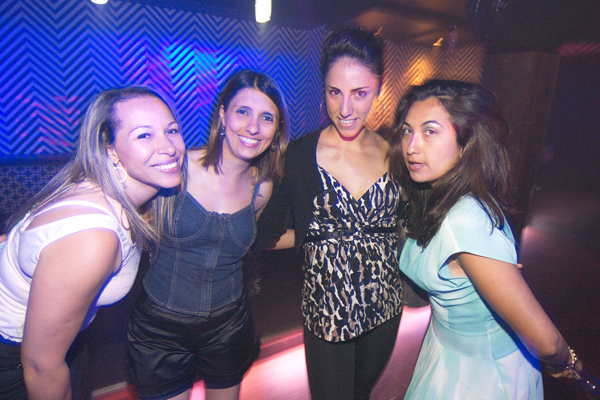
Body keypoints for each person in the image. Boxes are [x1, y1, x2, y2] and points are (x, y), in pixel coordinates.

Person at [389, 79, 582, 399]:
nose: (411, 145)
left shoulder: (465, 219)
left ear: (466, 143)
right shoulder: (436, 195)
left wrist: (570, 365)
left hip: (479, 375)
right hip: (445, 348)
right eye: (408, 130)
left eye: (430, 131)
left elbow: (548, 342)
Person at [0, 86, 186, 400]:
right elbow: (41, 365)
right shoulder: (93, 237)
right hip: (18, 362)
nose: (168, 147)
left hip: (59, 345)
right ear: (110, 149)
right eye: (144, 135)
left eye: (172, 130)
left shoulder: (105, 191)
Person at [256, 27, 404, 399]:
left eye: (360, 93)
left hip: (385, 307)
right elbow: (266, 234)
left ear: (379, 87)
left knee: (361, 393)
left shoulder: (396, 153)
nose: (345, 109)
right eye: (334, 92)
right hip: (327, 312)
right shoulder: (299, 155)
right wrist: (317, 234)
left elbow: (409, 223)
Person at [126, 69, 289, 400]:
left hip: (228, 326)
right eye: (243, 111)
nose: (253, 127)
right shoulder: (177, 168)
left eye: (266, 117)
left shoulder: (262, 187)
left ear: (276, 130)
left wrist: (319, 235)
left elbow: (253, 241)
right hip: (161, 329)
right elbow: (128, 219)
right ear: (223, 116)